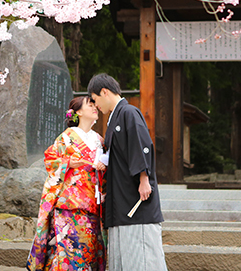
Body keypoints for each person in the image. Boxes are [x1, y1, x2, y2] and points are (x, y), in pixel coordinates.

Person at [88, 73, 168, 271]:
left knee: (143, 256)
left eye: (95, 100)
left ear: (104, 92)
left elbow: (140, 145)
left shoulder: (128, 112)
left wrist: (143, 178)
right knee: (126, 258)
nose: (95, 106)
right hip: (121, 199)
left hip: (135, 198)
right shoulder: (116, 117)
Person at [27, 96, 107, 271]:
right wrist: (68, 163)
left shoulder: (100, 140)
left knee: (88, 254)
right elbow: (50, 159)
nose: (95, 108)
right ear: (78, 112)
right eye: (90, 105)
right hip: (68, 205)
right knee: (67, 254)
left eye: (95, 105)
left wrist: (103, 166)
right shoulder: (67, 136)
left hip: (93, 205)